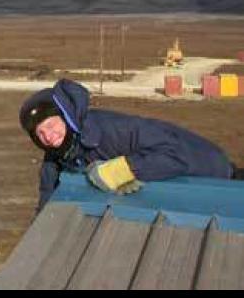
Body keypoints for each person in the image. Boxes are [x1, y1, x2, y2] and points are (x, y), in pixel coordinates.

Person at [20, 78, 242, 212]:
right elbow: (48, 201)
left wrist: (121, 170)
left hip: (217, 177)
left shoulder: (113, 130)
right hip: (175, 200)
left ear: (67, 117)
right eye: (40, 133)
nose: (49, 136)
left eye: (51, 125)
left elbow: (176, 156)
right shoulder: (57, 157)